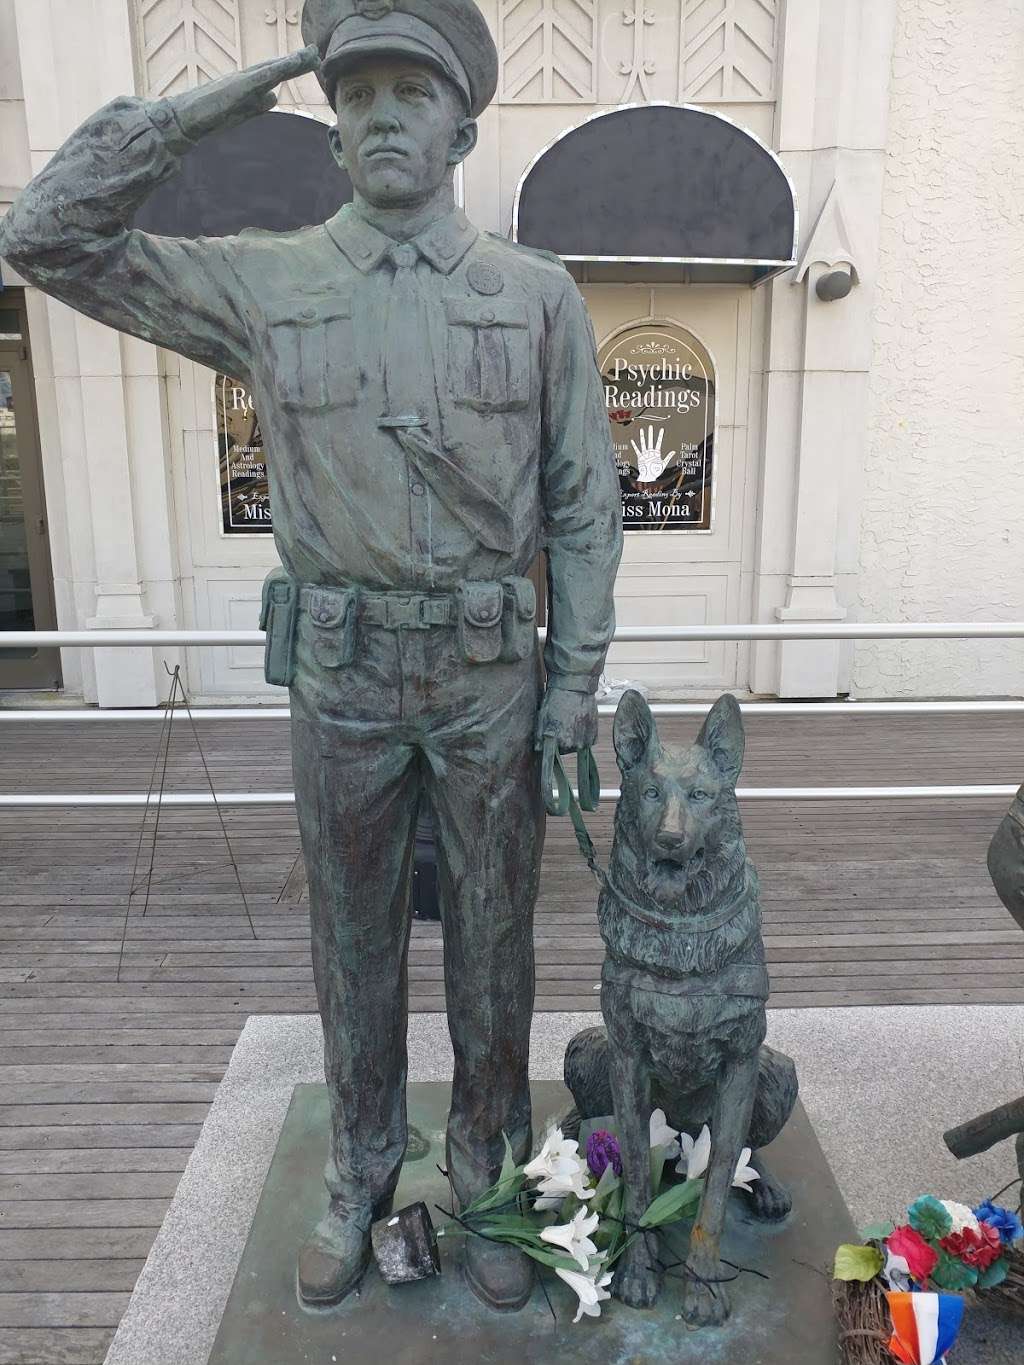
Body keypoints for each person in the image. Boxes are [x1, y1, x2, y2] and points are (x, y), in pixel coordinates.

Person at [0, 0, 623, 1313]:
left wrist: (574, 681)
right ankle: (358, 1172)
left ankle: (489, 1176)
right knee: (352, 944)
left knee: (497, 947)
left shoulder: (535, 293)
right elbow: (45, 237)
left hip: (487, 680)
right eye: (357, 95)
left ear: (464, 123)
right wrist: (215, 100)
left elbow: (583, 500)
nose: (384, 114)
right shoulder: (268, 282)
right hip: (340, 677)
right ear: (331, 128)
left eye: (412, 91)